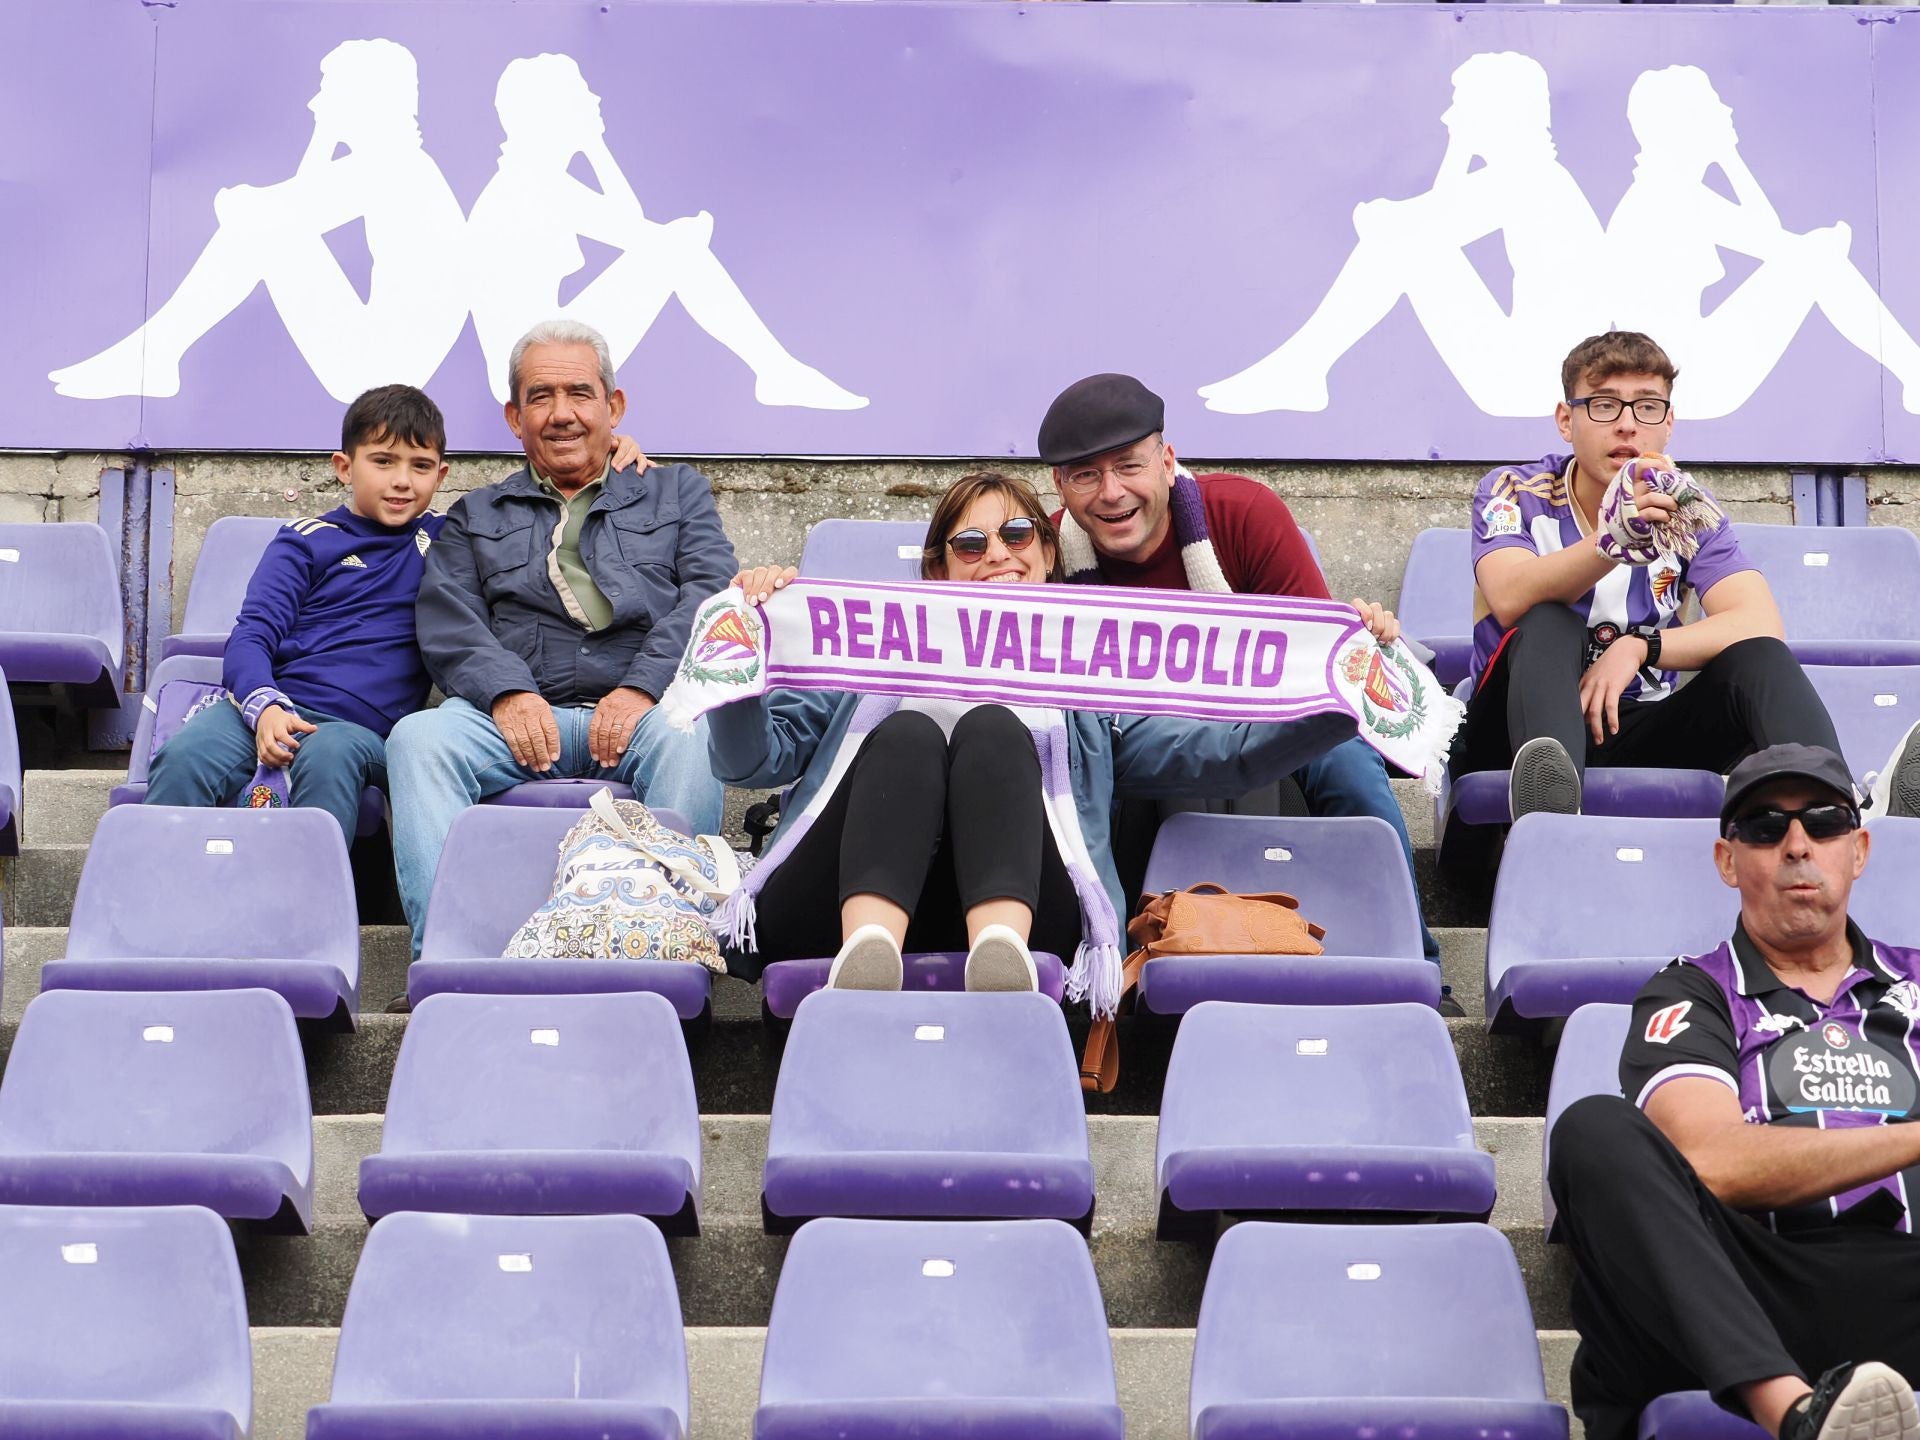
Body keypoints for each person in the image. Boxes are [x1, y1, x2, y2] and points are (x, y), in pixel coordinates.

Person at [709, 471, 1358, 991]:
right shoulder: (865, 655)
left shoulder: (1090, 686)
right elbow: (748, 764)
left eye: (1017, 534)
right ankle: (867, 955)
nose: (998, 554)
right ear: (937, 571)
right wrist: (738, 660)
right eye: (970, 544)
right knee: (908, 734)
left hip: (1034, 926)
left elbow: (1226, 757)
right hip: (833, 913)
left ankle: (1000, 955)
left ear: (1048, 553)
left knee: (994, 727)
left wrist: (1340, 702)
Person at [1548, 743, 1920, 1440]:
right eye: (1765, 827)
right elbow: (1712, 1161)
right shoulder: (1692, 992)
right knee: (1593, 1130)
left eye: (1824, 822)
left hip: (1902, 1285)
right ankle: (1796, 1415)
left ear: (1860, 850)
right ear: (1728, 860)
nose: (1798, 845)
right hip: (1739, 1288)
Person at [1038, 372, 1447, 1002]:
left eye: (1129, 466)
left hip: (1270, 714)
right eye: (1086, 476)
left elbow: (1316, 663)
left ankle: (1413, 957)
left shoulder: (1243, 513)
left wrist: (1361, 633)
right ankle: (1109, 974)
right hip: (1133, 736)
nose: (1112, 492)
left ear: (1166, 461)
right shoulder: (1047, 553)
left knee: (1348, 763)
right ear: (1060, 486)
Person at [386, 318, 733, 954]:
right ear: (514, 418)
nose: (562, 413)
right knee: (420, 739)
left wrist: (644, 686)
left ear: (613, 407)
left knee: (694, 737)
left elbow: (709, 597)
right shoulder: (475, 514)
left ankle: (671, 954)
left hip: (645, 713)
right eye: (540, 397)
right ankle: (445, 958)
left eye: (579, 393)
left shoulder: (677, 492)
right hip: (512, 719)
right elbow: (448, 618)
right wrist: (506, 693)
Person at [1456, 330, 1894, 827]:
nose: (1627, 425)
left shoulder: (1686, 506)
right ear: (1565, 419)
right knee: (1549, 620)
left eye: (1647, 407)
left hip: (1633, 725)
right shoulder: (1514, 489)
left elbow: (1758, 621)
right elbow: (1509, 595)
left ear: (1668, 425)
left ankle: (1839, 814)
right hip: (1511, 730)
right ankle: (1552, 819)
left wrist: (1642, 646)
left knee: (1759, 658)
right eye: (1604, 405)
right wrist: (1609, 542)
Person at [50, 39, 468, 404]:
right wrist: (321, 139)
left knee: (258, 224)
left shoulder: (392, 166)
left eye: (327, 91)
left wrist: (246, 196)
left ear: (362, 99)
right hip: (381, 364)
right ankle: (154, 354)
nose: (314, 103)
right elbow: (298, 207)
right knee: (264, 224)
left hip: (377, 371)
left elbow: (273, 211)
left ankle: (154, 355)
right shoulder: (401, 164)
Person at [1199, 51, 1606, 419]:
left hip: (1533, 387)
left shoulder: (1526, 178)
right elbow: (1433, 217)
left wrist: (1452, 153)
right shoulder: (1536, 174)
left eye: (1460, 105)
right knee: (1407, 240)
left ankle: (1300, 370)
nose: (1448, 117)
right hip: (1539, 381)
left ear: (1493, 112)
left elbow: (1405, 225)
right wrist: (1455, 153)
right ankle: (1300, 369)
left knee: (1400, 243)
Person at [466, 53, 866, 411]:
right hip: (532, 366)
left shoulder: (535, 180)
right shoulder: (530, 187)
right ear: (551, 114)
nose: (595, 100)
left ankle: (777, 370)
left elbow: (630, 221)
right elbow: (636, 232)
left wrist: (595, 146)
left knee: (678, 246)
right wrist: (680, 238)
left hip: (544, 351)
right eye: (581, 95)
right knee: (680, 248)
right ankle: (776, 371)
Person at [144, 385, 450, 842]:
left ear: (441, 476)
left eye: (420, 466)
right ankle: (162, 885)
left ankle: (309, 890)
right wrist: (265, 706)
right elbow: (253, 635)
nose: (402, 480)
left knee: (329, 757)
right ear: (344, 467)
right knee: (184, 757)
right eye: (383, 461)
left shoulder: (446, 539)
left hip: (359, 732)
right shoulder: (306, 539)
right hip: (277, 706)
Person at [1608, 66, 1920, 420]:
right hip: (1686, 381)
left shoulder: (1667, 188)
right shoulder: (1668, 196)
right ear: (1684, 123)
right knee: (1819, 257)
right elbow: (1777, 244)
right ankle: (1913, 369)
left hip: (1680, 376)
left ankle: (1913, 368)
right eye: (1713, 104)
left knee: (1817, 254)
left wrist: (1729, 156)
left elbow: (1768, 233)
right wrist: (1825, 246)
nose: (1727, 110)